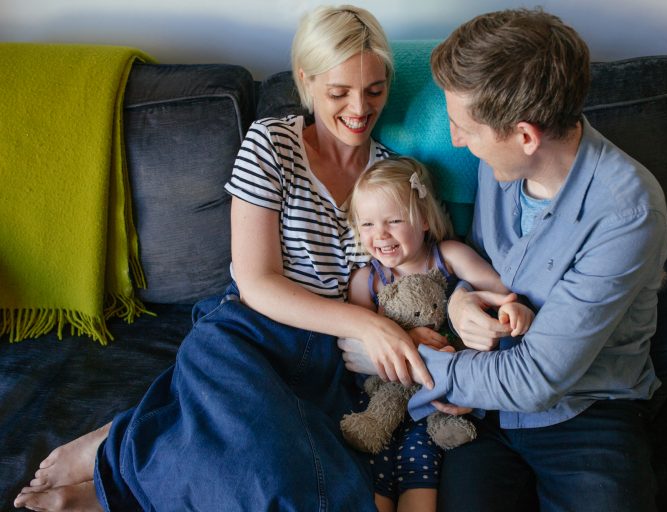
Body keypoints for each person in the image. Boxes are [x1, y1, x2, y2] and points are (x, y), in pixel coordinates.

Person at [14, 5, 431, 511]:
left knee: (298, 486)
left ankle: (132, 441)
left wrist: (403, 328)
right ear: (306, 80)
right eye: (338, 92)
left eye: (374, 90)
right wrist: (367, 327)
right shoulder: (272, 143)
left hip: (327, 360)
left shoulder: (389, 174)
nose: (360, 110)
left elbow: (410, 270)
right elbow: (257, 282)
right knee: (253, 463)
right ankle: (117, 472)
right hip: (250, 331)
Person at [340, 8, 667, 512]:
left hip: (585, 411)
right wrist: (461, 304)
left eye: (464, 129)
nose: (455, 142)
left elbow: (537, 379)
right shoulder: (503, 166)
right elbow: (483, 271)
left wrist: (400, 356)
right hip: (481, 405)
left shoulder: (626, 211)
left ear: (525, 136)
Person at [345, 156, 534, 512]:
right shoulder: (366, 280)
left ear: (426, 220)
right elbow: (354, 347)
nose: (380, 235)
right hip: (386, 394)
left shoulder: (448, 256)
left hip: (440, 395)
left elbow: (498, 293)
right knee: (376, 474)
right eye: (367, 224)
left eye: (394, 220)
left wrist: (512, 308)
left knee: (422, 470)